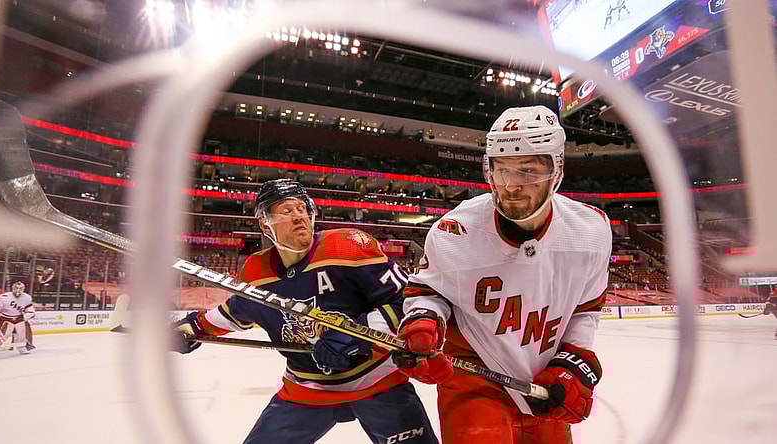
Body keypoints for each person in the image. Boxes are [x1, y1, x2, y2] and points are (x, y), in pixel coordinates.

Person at [395, 105, 612, 443]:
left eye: (527, 171)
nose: (510, 186)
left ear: (557, 171)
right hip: (472, 375)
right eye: (501, 170)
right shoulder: (455, 230)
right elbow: (427, 292)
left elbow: (586, 308)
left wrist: (574, 361)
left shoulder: (592, 229)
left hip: (544, 380)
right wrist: (423, 324)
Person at [172, 178, 438, 444]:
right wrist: (193, 328)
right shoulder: (257, 272)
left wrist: (359, 333)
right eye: (287, 211)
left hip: (378, 382)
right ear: (265, 224)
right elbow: (236, 311)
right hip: (306, 390)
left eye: (303, 209)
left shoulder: (349, 247)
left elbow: (407, 301)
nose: (299, 217)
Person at [0, 281, 36, 355]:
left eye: (20, 288)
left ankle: (23, 347)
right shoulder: (4, 297)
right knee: (3, 335)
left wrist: (30, 313)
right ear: (12, 288)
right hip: (5, 318)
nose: (18, 290)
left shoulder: (27, 297)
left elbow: (28, 307)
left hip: (18, 318)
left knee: (22, 332)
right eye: (16, 288)